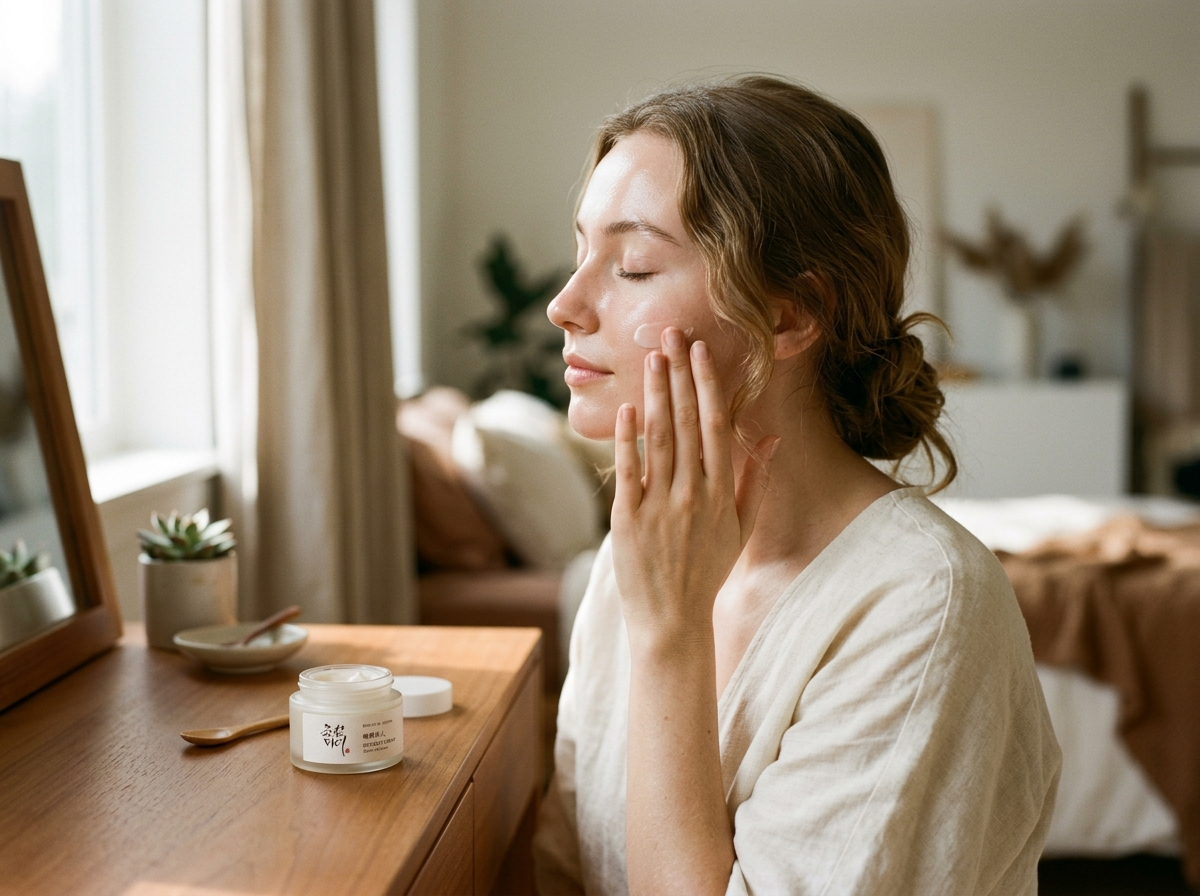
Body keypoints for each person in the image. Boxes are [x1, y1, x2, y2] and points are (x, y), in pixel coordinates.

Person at [533, 75, 1060, 896]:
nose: (564, 304)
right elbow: (569, 869)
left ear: (789, 315)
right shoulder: (633, 561)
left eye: (633, 266)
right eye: (580, 253)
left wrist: (672, 641)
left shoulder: (922, 605)